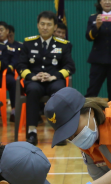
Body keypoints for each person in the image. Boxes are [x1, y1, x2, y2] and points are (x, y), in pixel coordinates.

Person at [17, 12, 75, 146]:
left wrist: (55, 76)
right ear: (37, 25)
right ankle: (32, 131)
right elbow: (20, 65)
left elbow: (70, 66)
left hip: (54, 80)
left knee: (59, 90)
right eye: (42, 24)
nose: (45, 27)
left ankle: (60, 131)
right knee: (32, 89)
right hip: (34, 80)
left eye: (49, 25)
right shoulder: (28, 43)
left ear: (55, 27)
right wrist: (32, 76)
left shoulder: (63, 45)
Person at [0, 21, 18, 113]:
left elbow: (15, 61)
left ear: (7, 31)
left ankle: (14, 110)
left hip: (7, 73)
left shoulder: (13, 46)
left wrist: (7, 68)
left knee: (13, 82)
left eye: (1, 30)